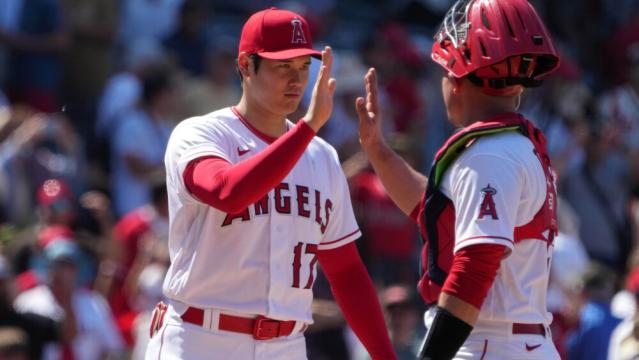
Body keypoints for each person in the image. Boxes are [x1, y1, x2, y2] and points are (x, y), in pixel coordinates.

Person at [145, 7, 396, 360]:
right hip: (201, 338)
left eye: (303, 68)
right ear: (246, 66)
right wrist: (307, 128)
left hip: (287, 345)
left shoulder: (321, 157)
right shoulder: (201, 134)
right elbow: (228, 192)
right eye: (282, 67)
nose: (296, 81)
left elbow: (346, 270)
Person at [356, 0, 561, 358]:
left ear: (457, 77)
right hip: (515, 341)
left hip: (488, 343)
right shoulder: (511, 145)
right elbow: (433, 208)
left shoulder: (488, 155)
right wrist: (378, 149)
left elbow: (473, 268)